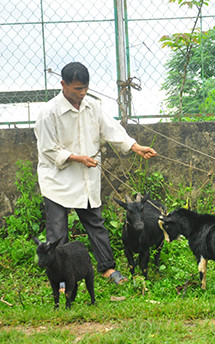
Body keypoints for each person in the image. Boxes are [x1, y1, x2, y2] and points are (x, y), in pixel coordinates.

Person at [34, 62, 157, 286]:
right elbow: (47, 148)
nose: (82, 93)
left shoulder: (93, 106)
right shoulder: (48, 113)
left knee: (96, 224)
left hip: (86, 179)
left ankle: (107, 269)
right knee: (58, 231)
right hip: (57, 180)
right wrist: (76, 157)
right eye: (77, 89)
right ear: (63, 85)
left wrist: (135, 146)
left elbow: (112, 129)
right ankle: (60, 280)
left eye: (85, 88)